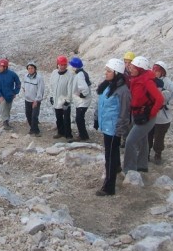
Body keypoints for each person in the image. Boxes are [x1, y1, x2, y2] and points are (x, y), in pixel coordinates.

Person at [93, 58, 131, 196]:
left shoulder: (122, 91)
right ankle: (115, 170)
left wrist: (119, 130)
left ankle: (109, 187)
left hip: (114, 129)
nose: (106, 73)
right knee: (112, 154)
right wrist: (97, 118)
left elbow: (124, 113)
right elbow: (101, 103)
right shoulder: (108, 86)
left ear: (116, 72)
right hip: (107, 126)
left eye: (108, 71)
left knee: (109, 156)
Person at [123, 56, 164, 173]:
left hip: (145, 115)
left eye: (134, 67)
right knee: (142, 140)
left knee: (130, 141)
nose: (131, 69)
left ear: (140, 69)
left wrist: (151, 113)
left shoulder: (147, 81)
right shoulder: (136, 79)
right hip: (138, 113)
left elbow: (159, 99)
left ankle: (129, 169)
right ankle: (142, 165)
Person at [148, 61, 173, 165]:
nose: (154, 72)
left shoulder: (167, 83)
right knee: (148, 136)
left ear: (162, 72)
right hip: (151, 115)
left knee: (159, 138)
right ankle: (146, 154)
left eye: (157, 70)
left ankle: (158, 154)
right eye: (153, 69)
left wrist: (167, 105)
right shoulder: (151, 80)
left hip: (162, 117)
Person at [49, 56, 73, 140]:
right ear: (57, 65)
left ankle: (68, 135)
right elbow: (51, 85)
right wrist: (51, 96)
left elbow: (70, 88)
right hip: (56, 99)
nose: (62, 66)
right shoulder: (54, 73)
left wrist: (68, 100)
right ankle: (60, 132)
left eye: (64, 64)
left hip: (65, 100)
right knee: (58, 117)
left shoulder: (69, 75)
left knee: (66, 119)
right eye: (61, 64)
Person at [0, 58, 21, 130]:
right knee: (3, 108)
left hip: (10, 95)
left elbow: (18, 83)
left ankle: (7, 120)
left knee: (8, 108)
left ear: (5, 67)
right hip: (2, 95)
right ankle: (5, 123)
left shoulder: (12, 74)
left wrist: (15, 92)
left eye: (1, 66)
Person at [69, 56, 92, 142]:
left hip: (83, 101)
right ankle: (83, 135)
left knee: (79, 118)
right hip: (83, 101)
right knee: (80, 118)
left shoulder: (80, 75)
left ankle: (84, 136)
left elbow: (85, 88)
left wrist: (83, 95)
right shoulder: (82, 73)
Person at [22, 61, 45, 136]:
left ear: (35, 69)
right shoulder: (26, 76)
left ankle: (36, 131)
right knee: (28, 115)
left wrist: (37, 100)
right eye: (29, 68)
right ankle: (32, 128)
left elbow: (40, 89)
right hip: (27, 99)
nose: (30, 70)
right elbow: (24, 85)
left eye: (32, 68)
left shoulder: (39, 78)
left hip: (35, 100)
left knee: (34, 116)